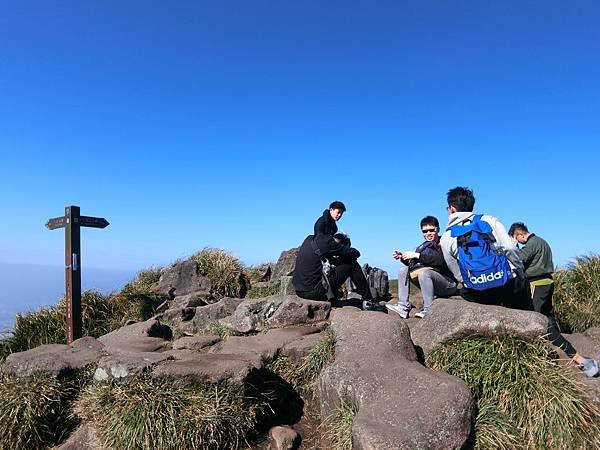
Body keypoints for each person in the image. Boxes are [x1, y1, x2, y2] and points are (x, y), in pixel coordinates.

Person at [509, 222, 599, 378]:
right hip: (548, 282)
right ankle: (559, 340)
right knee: (548, 315)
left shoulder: (531, 244)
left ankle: (575, 356)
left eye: (516, 238)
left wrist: (512, 247)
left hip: (536, 283)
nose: (517, 241)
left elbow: (518, 259)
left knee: (536, 320)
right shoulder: (542, 241)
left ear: (519, 235)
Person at [440, 186, 527, 308]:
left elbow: (456, 270)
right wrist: (519, 271)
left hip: (478, 291)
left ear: (452, 208)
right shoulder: (489, 220)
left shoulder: (446, 236)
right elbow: (510, 248)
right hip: (507, 285)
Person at [387, 216, 457, 319]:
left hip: (448, 284)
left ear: (437, 229)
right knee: (403, 270)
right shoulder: (424, 246)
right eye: (425, 231)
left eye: (431, 230)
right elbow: (416, 266)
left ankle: (428, 309)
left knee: (424, 273)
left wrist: (417, 255)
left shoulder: (444, 243)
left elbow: (440, 261)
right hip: (431, 282)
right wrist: (403, 258)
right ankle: (403, 306)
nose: (428, 233)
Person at [292, 232, 384, 311]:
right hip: (313, 292)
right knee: (351, 264)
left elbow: (331, 262)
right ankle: (368, 300)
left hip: (299, 291)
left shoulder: (310, 240)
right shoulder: (329, 244)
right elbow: (355, 253)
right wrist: (344, 252)